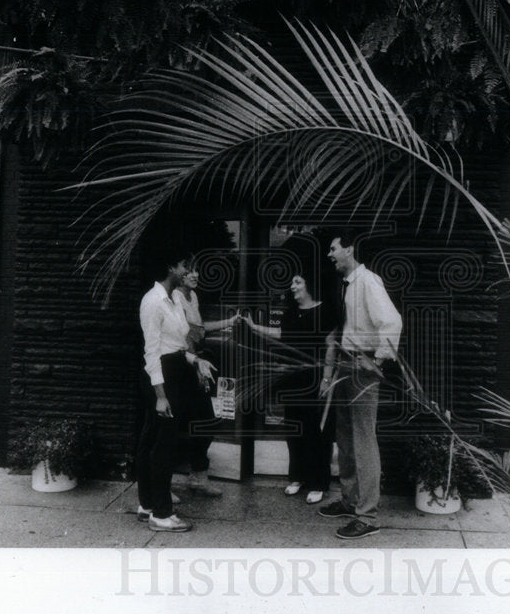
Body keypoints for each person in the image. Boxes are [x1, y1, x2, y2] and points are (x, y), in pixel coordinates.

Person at [317, 231, 402, 540]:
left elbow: (392, 322)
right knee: (345, 436)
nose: (330, 254)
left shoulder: (368, 282)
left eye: (333, 248)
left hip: (362, 369)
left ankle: (367, 517)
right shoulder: (349, 285)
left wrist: (377, 361)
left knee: (364, 440)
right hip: (346, 365)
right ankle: (350, 500)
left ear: (349, 250)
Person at [137, 253, 222, 532]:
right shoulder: (153, 301)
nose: (188, 271)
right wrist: (161, 395)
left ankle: (148, 503)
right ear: (171, 267)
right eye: (185, 265)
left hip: (175, 370)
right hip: (162, 378)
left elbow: (176, 345)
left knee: (153, 441)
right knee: (163, 444)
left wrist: (196, 359)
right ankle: (161, 514)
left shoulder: (173, 299)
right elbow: (152, 352)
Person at [242, 271, 336, 505]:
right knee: (294, 428)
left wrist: (326, 378)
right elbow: (282, 334)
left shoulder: (325, 311)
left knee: (317, 432)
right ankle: (297, 477)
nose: (292, 287)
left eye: (298, 282)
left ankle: (318, 482)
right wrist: (254, 327)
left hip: (316, 378)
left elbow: (331, 346)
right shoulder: (291, 312)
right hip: (293, 378)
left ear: (310, 284)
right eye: (292, 282)